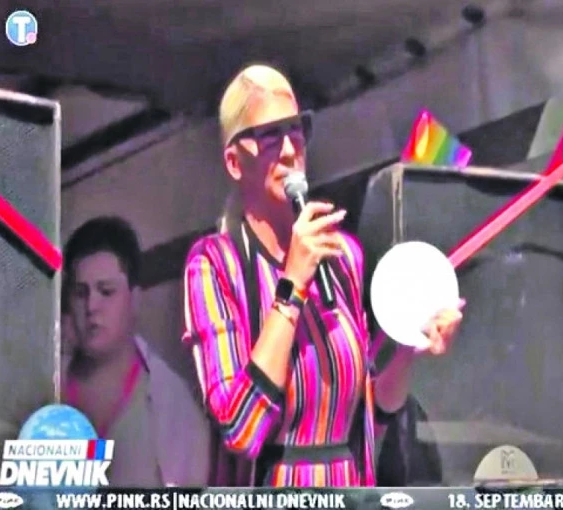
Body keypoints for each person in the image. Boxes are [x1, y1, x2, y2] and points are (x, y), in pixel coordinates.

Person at [182, 63, 465, 487]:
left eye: (296, 129)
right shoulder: (214, 264)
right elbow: (241, 428)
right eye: (268, 136)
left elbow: (371, 418)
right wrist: (292, 286)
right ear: (234, 163)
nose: (289, 151)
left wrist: (411, 346)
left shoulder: (342, 256)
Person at [62, 216, 211, 487]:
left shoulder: (175, 411)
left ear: (134, 299)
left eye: (106, 291)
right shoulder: (44, 387)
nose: (91, 306)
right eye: (81, 293)